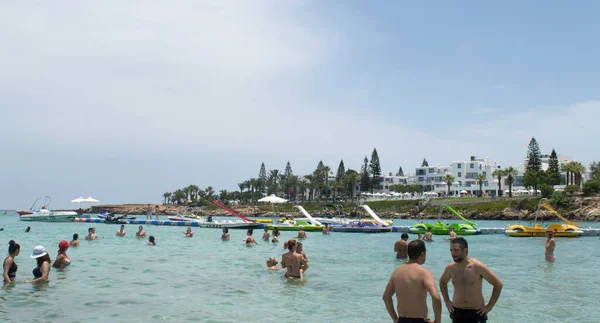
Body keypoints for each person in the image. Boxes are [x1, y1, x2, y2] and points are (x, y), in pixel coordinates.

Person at [439, 237, 503, 323]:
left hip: (477, 312)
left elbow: (498, 284)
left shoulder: (478, 267)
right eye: (451, 250)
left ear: (465, 250)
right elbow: (442, 282)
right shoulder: (450, 268)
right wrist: (447, 301)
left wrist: (489, 306)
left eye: (456, 250)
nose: (453, 253)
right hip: (457, 311)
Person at [382, 240, 442, 323]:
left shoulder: (397, 271)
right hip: (420, 320)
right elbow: (436, 298)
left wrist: (395, 319)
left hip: (402, 320)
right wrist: (437, 321)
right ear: (422, 254)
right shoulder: (424, 272)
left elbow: (386, 297)